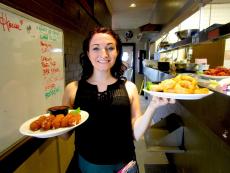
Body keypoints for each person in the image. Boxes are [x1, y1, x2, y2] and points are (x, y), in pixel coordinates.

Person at [62, 27, 175, 173]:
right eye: (96, 48)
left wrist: (152, 106)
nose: (104, 54)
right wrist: (56, 119)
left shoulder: (129, 88)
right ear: (88, 53)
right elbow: (64, 136)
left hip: (123, 167)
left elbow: (135, 133)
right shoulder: (72, 89)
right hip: (84, 167)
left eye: (110, 48)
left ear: (117, 52)